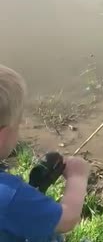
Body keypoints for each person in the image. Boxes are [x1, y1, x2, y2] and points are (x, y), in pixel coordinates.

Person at [0, 64, 91, 241]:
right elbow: (67, 219)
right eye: (18, 125)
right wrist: (77, 177)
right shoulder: (9, 197)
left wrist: (35, 190)